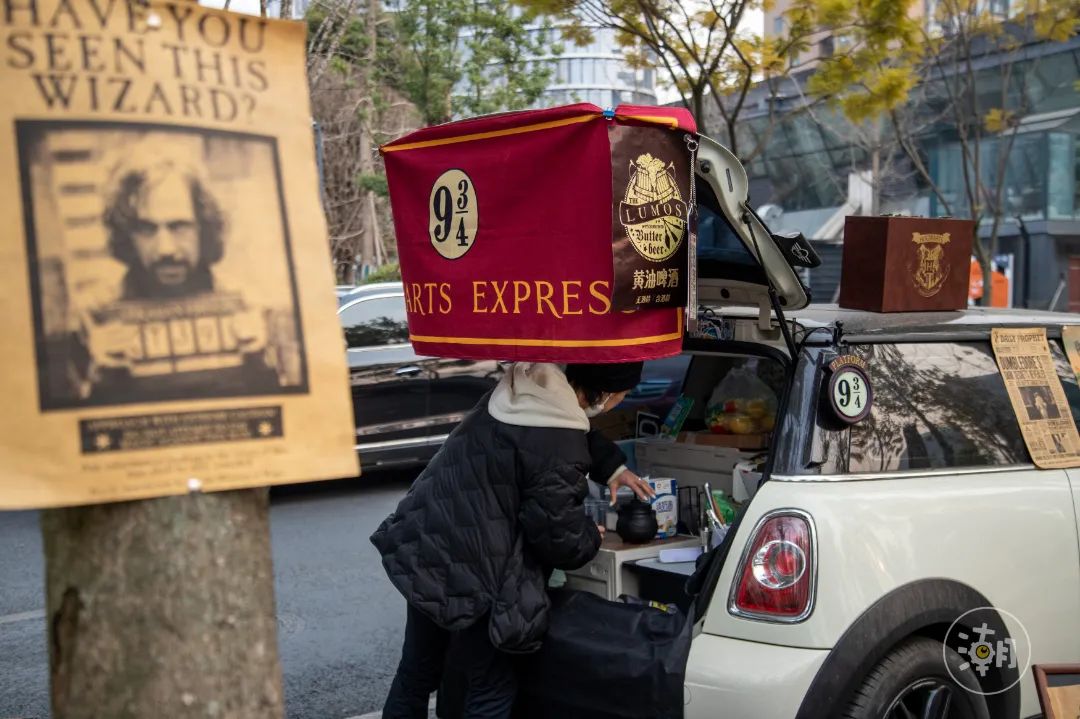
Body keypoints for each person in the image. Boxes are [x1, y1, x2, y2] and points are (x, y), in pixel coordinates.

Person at [371, 361, 653, 719]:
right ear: (609, 393)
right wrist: (588, 534)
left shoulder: (517, 392)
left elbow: (552, 434)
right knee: (490, 688)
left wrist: (615, 467)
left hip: (428, 545)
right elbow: (557, 537)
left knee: (416, 672)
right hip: (477, 571)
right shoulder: (559, 440)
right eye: (624, 396)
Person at [71, 155, 275, 402]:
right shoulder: (94, 314)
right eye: (146, 229)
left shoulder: (250, 304)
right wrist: (98, 377)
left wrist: (261, 363)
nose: (165, 249)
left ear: (204, 227)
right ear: (126, 235)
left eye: (179, 227)